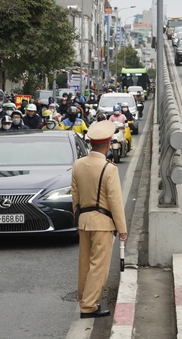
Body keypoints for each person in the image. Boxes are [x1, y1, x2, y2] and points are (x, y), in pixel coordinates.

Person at [71, 121, 127, 318]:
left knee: (85, 264)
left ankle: (83, 299)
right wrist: (122, 228)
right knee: (99, 266)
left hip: (84, 220)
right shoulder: (109, 169)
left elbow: (75, 198)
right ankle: (88, 306)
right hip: (103, 222)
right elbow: (115, 202)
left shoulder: (78, 165)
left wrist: (79, 217)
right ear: (106, 145)